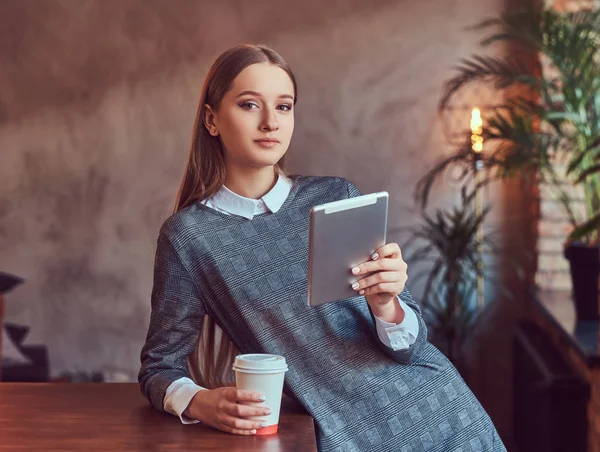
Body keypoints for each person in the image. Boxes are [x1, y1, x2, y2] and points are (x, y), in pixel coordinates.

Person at [139, 44, 505, 451]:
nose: (269, 123)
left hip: (443, 415)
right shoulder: (189, 236)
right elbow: (159, 368)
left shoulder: (336, 196)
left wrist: (388, 304)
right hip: (342, 436)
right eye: (248, 105)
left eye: (283, 107)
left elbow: (411, 346)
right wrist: (201, 402)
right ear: (212, 119)